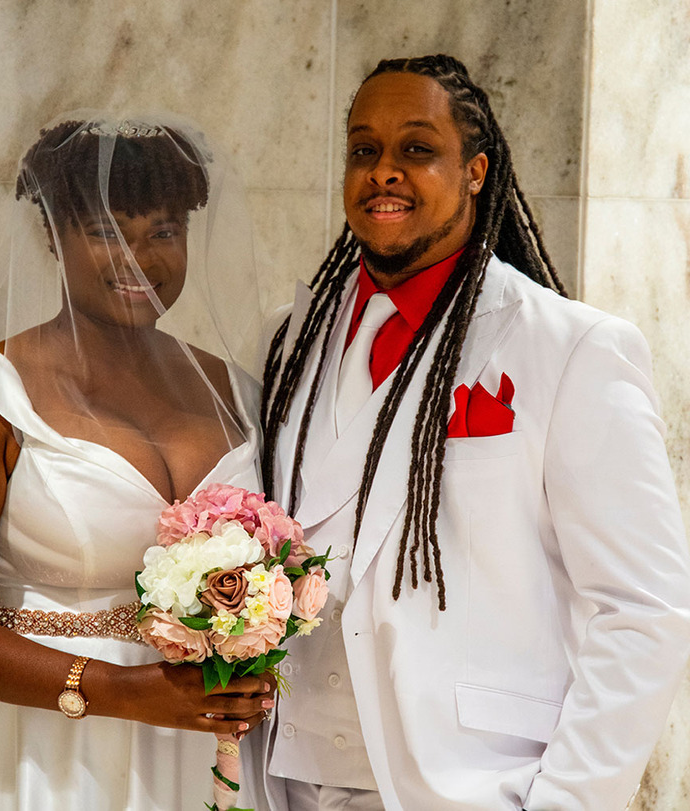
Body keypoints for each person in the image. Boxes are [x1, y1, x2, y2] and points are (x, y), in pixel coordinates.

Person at [246, 55, 690, 811]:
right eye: (364, 149)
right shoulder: (288, 343)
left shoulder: (570, 348)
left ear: (476, 171)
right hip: (282, 777)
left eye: (416, 149)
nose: (384, 171)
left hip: (465, 784)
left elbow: (641, 607)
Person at [0, 113, 274, 810]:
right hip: (42, 748)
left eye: (163, 231)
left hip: (200, 749)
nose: (139, 259)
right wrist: (122, 692)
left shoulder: (238, 393)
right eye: (107, 232)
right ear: (52, 235)